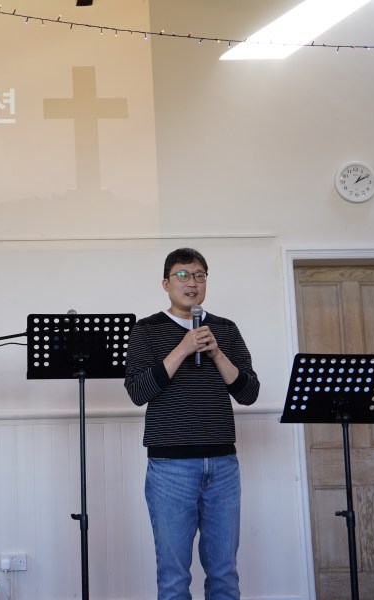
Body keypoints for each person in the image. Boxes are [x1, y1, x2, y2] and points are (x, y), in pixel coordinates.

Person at [124, 247, 260, 600]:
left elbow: (249, 393)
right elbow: (138, 391)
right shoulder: (146, 330)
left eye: (199, 275)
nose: (192, 283)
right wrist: (183, 348)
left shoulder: (226, 329)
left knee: (224, 573)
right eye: (183, 275)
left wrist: (217, 353)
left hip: (223, 464)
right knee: (173, 577)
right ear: (166, 283)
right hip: (169, 466)